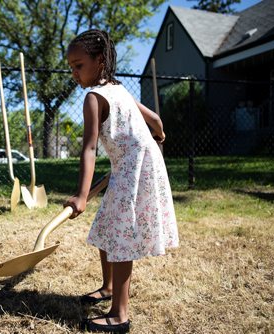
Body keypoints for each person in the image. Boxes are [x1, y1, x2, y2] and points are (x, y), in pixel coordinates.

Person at [64, 29, 179, 333]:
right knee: (106, 227)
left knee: (120, 238)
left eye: (79, 65)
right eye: (71, 68)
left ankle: (119, 314)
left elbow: (89, 147)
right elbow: (154, 119)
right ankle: (107, 287)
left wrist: (81, 195)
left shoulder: (93, 98)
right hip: (141, 164)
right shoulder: (121, 90)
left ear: (99, 60)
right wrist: (160, 135)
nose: (74, 73)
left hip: (133, 169)